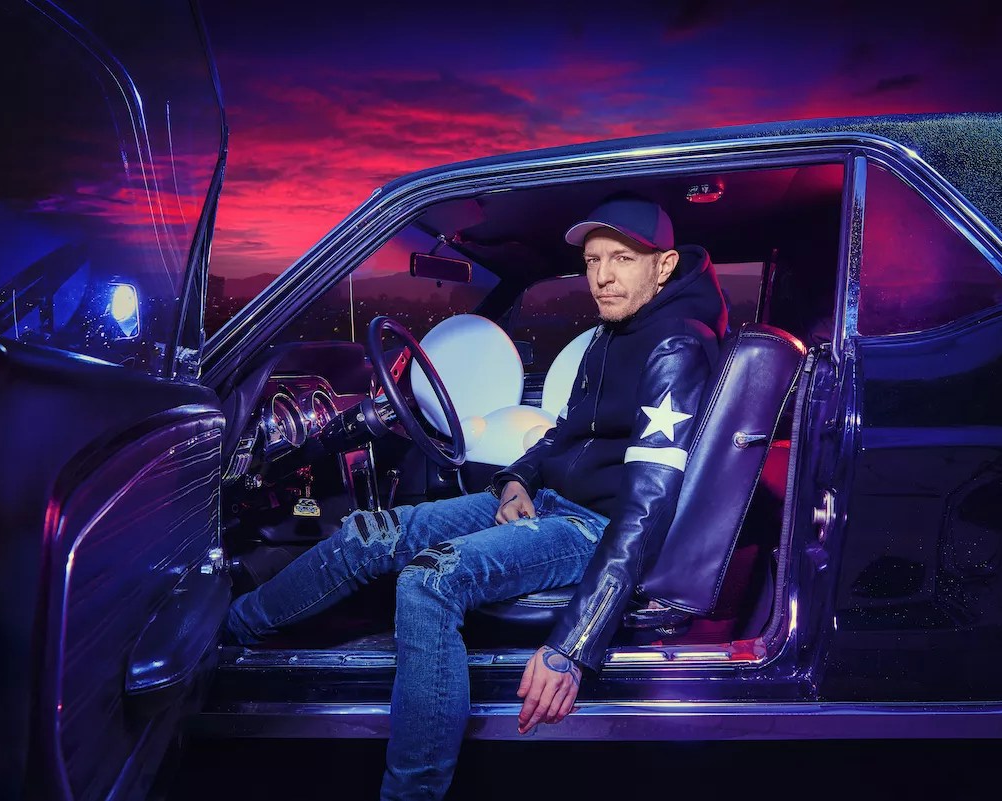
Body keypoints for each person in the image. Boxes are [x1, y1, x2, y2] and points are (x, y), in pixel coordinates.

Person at [223, 193, 727, 799]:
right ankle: (231, 631)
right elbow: (563, 434)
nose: (602, 277)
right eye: (593, 261)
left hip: (595, 526)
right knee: (366, 531)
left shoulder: (675, 347)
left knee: (428, 581)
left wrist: (574, 644)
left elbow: (646, 507)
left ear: (664, 266)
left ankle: (412, 794)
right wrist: (516, 479)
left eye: (621, 259)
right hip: (548, 502)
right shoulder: (609, 333)